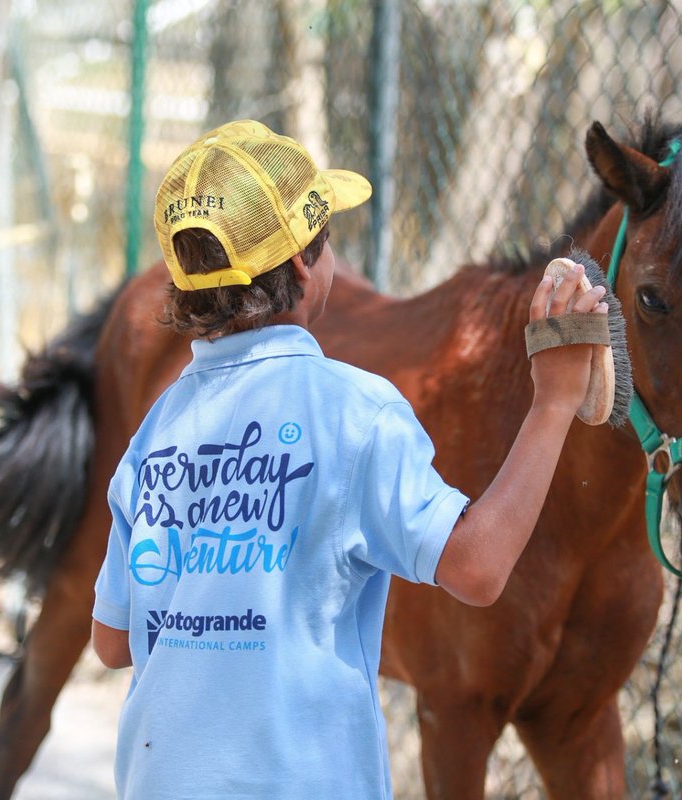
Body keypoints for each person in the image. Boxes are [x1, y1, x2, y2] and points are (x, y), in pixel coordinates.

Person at [91, 120, 608, 799]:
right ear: (307, 265)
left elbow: (110, 641)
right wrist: (553, 401)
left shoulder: (157, 431)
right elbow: (477, 569)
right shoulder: (354, 412)